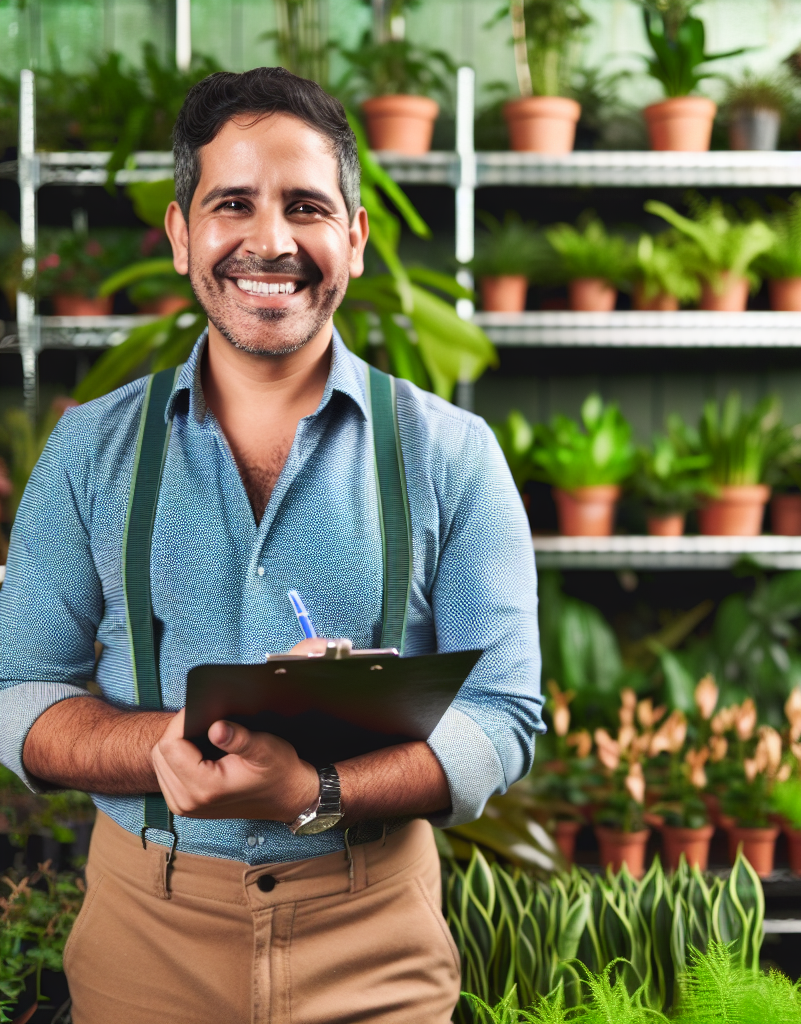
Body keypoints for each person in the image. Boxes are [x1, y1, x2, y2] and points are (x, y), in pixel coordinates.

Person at [0, 67, 542, 1024]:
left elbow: (502, 714)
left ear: (355, 239)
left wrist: (315, 789)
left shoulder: (454, 453)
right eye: (233, 204)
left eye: (306, 207)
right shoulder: (89, 451)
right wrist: (169, 746)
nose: (272, 241)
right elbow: (18, 692)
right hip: (144, 934)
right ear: (181, 236)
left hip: (375, 936)